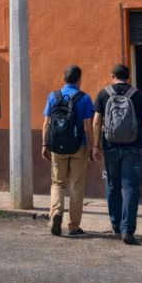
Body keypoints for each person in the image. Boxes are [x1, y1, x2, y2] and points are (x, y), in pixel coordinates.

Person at [94, 63, 142, 245]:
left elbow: (97, 121)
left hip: (110, 146)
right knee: (131, 188)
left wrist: (96, 146)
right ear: (128, 77)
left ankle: (116, 225)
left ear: (112, 76)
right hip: (134, 147)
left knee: (113, 185)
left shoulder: (103, 94)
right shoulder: (138, 95)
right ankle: (127, 230)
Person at [41, 64, 97, 236]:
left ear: (63, 78)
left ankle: (56, 213)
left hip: (57, 147)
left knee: (58, 183)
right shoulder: (85, 98)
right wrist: (93, 146)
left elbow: (46, 123)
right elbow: (88, 125)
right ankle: (73, 226)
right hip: (78, 146)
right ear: (79, 79)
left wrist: (44, 145)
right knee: (76, 186)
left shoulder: (53, 96)